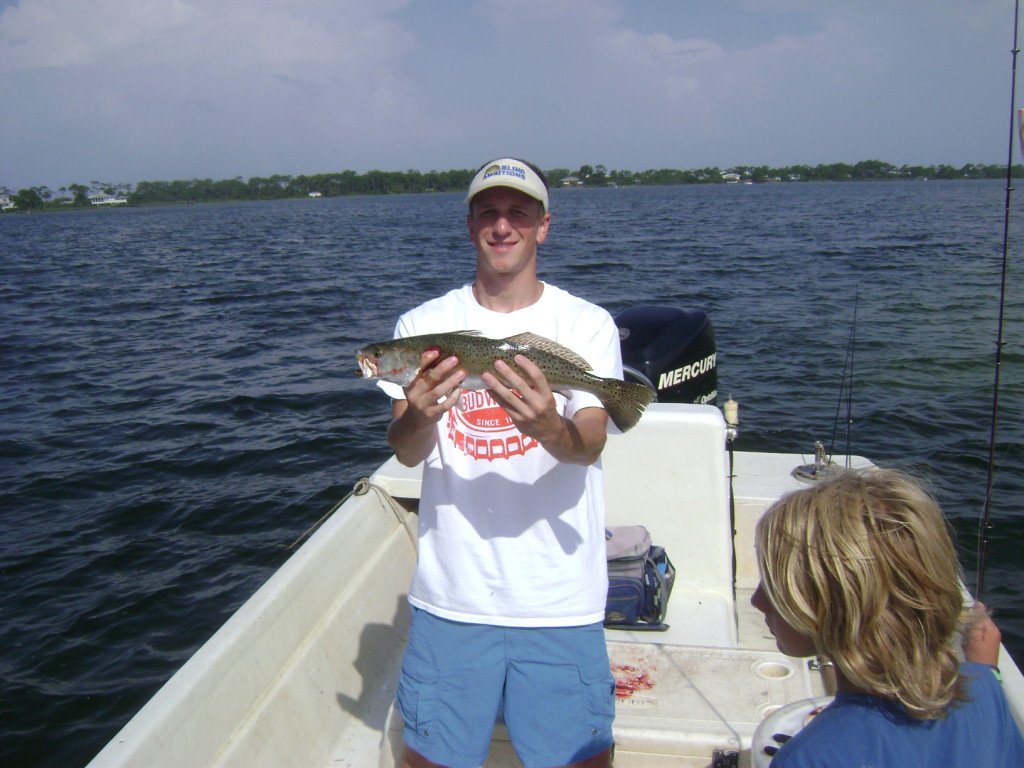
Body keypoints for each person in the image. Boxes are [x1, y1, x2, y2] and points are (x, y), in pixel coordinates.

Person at [378, 158, 618, 768]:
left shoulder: (587, 325)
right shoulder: (422, 327)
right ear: (470, 226)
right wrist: (421, 414)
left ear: (543, 225)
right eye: (489, 212)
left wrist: (549, 427)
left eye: (519, 213)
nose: (503, 225)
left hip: (559, 597)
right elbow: (406, 450)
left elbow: (590, 443)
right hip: (452, 596)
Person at [751, 467, 1024, 767]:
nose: (757, 601)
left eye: (777, 588)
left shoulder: (807, 758)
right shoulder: (986, 688)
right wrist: (986, 669)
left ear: (838, 613)